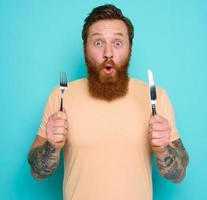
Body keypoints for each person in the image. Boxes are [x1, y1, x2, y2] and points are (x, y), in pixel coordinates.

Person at [27, 4, 189, 200]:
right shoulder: (61, 95)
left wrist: (163, 149)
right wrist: (52, 146)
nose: (108, 53)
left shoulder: (155, 97)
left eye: (118, 43)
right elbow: (37, 173)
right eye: (98, 43)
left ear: (130, 49)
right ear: (85, 48)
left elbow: (179, 175)